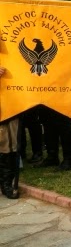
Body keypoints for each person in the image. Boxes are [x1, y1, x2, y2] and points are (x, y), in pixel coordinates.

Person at [0, 66, 19, 199]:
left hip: (13, 103)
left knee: (12, 144)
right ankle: (6, 184)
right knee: (3, 144)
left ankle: (8, 182)